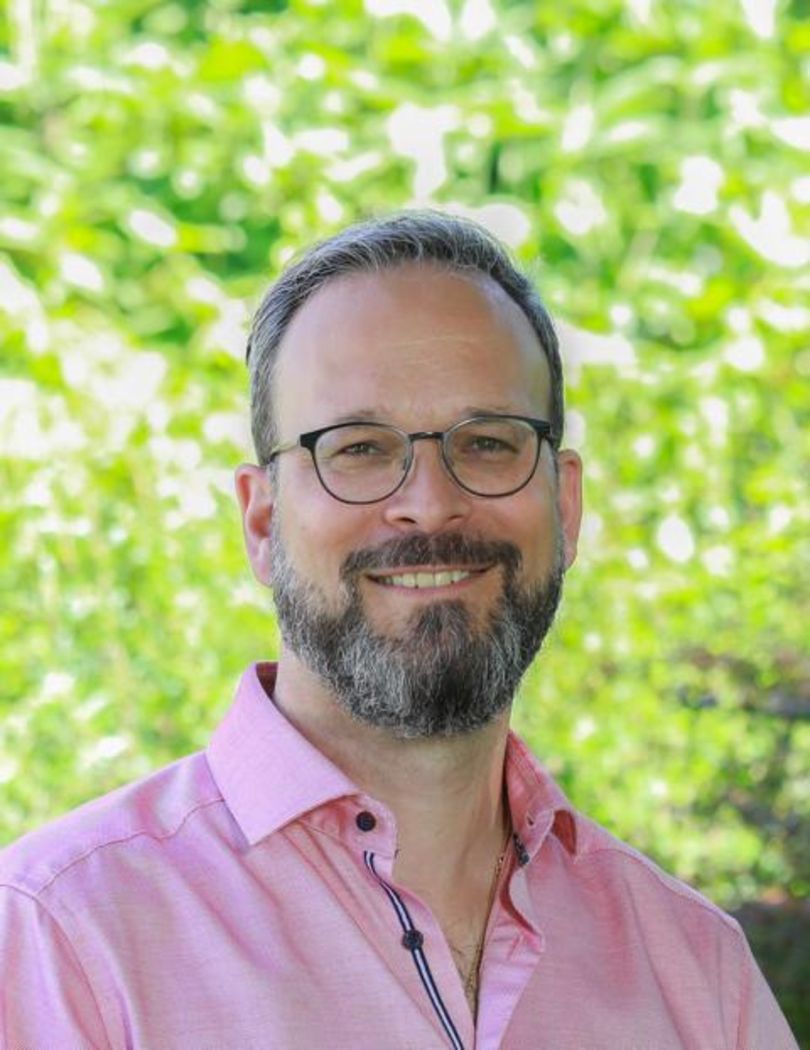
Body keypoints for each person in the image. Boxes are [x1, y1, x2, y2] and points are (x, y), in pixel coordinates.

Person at [0, 213, 798, 1050]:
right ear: (263, 522)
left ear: (565, 505)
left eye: (487, 443)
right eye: (359, 449)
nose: (430, 502)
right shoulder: (59, 941)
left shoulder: (698, 973)